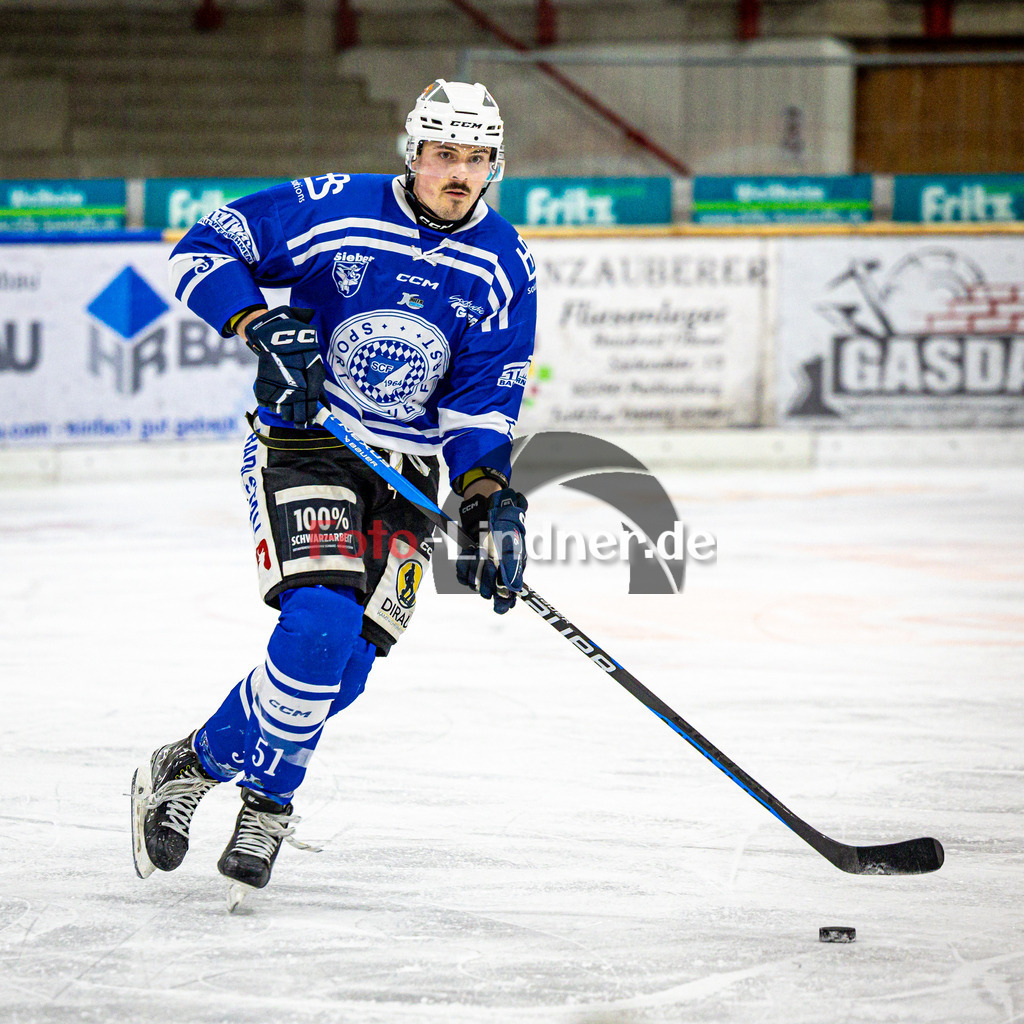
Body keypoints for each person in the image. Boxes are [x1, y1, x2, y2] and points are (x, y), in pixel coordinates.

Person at [131, 80, 536, 896]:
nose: (459, 173)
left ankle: (193, 762)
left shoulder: (505, 264)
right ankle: (270, 802)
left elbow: (481, 399)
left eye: (476, 158)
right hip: (309, 442)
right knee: (317, 625)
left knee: (343, 669)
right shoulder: (333, 206)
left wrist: (489, 491)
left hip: (408, 476)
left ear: (496, 164)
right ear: (413, 152)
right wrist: (259, 324)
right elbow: (203, 247)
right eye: (443, 154)